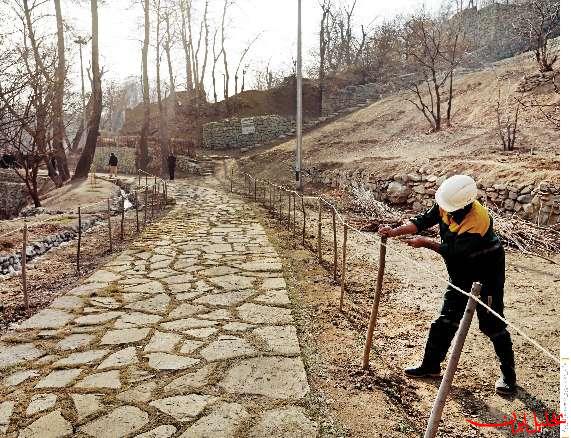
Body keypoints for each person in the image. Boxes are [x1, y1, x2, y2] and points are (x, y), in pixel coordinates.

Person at [378, 175, 516, 395]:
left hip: (487, 272)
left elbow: (455, 253)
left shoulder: (477, 221)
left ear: (464, 204)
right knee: (446, 318)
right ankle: (430, 365)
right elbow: (423, 220)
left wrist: (426, 243)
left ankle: (509, 377)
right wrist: (394, 231)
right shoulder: (448, 204)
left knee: (492, 324)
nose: (443, 210)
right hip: (460, 272)